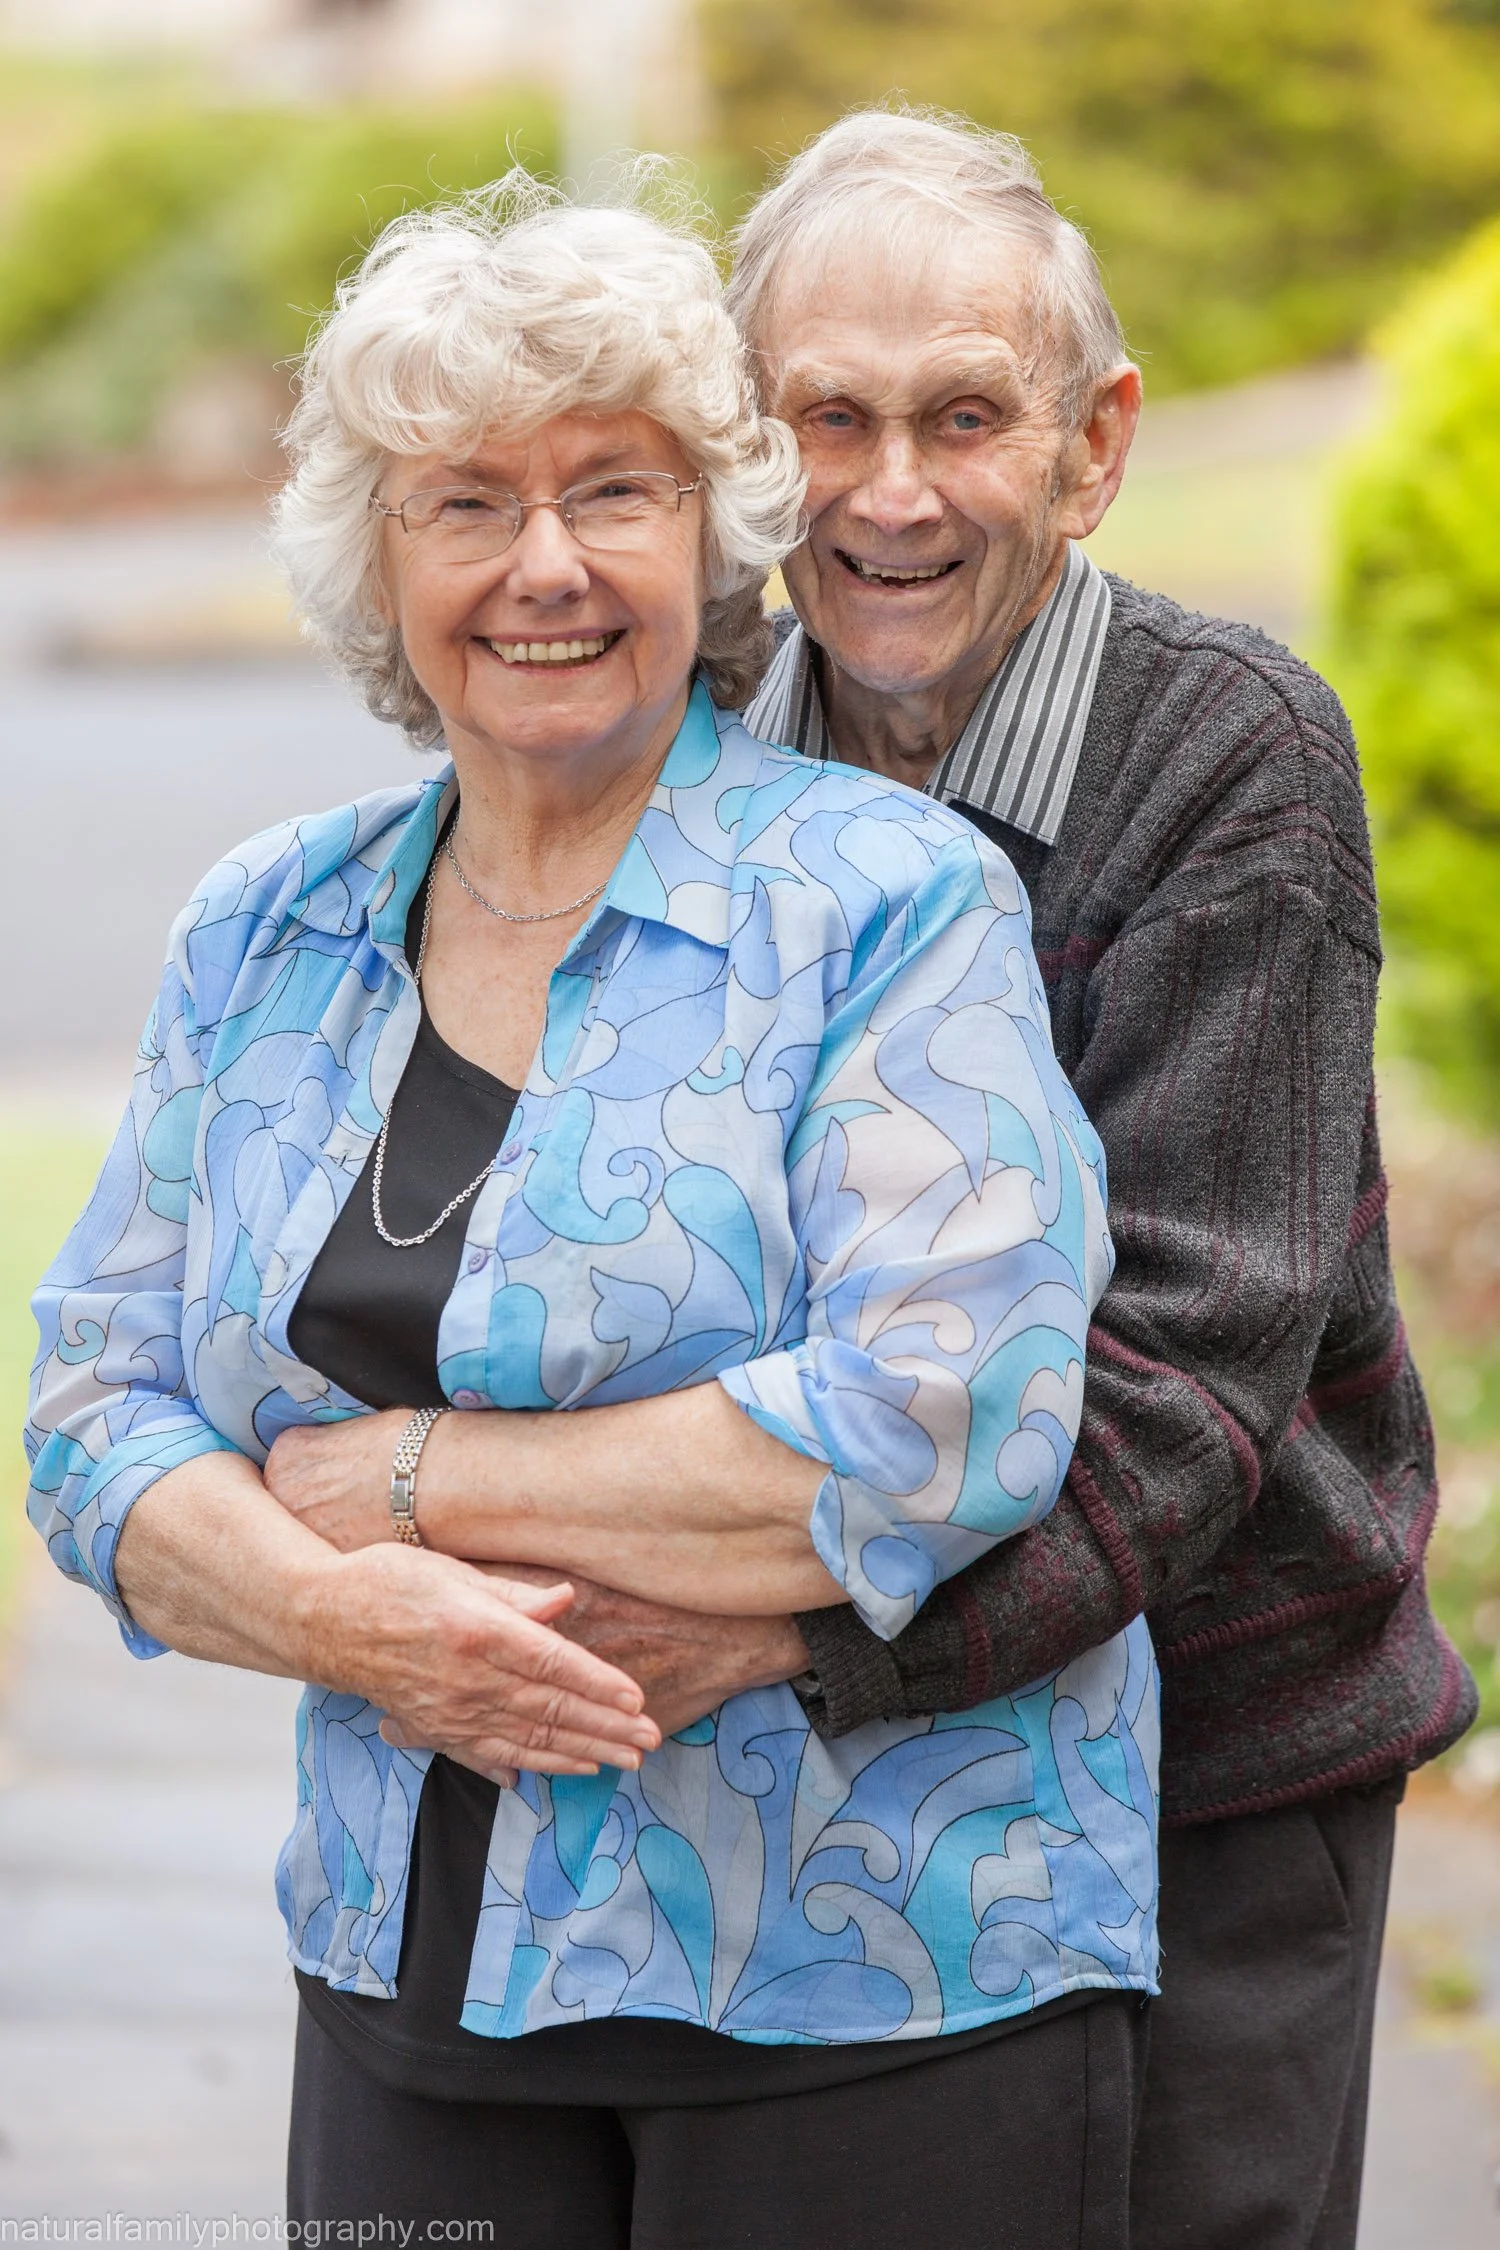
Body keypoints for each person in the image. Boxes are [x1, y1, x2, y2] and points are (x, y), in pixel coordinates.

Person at [26, 176, 1155, 2250]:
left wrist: (405, 1483)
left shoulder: (886, 906)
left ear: (707, 534)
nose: (544, 565)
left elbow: (951, 1409)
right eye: (466, 501)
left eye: (613, 492)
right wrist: (331, 1614)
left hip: (872, 1985)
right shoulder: (262, 927)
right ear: (378, 557)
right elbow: (94, 1415)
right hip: (402, 1971)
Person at [515, 111, 1477, 2249]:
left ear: (1096, 442)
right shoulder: (692, 739)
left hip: (1210, 1751)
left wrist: (757, 1630)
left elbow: (1183, 1388)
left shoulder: (1229, 757)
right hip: (815, 1772)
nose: (890, 493)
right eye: (823, 420)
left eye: (967, 417)